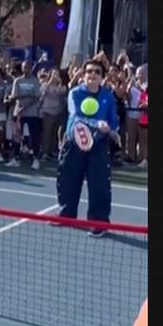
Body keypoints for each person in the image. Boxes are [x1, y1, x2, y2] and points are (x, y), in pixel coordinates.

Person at [56, 60, 120, 237]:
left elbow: (113, 121)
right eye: (89, 71)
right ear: (83, 75)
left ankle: (98, 223)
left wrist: (114, 131)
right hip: (74, 143)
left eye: (97, 72)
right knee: (68, 179)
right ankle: (66, 215)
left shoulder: (108, 96)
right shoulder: (75, 93)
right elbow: (76, 116)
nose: (92, 74)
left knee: (100, 184)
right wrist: (96, 123)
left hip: (98, 145)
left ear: (102, 77)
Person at [8, 61, 45, 170]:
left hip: (32, 113)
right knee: (16, 136)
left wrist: (25, 104)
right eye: (24, 68)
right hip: (18, 113)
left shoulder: (35, 81)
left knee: (34, 136)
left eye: (28, 67)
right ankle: (15, 158)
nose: (26, 70)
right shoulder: (17, 81)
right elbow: (14, 96)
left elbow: (36, 97)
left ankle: (36, 159)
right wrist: (27, 96)